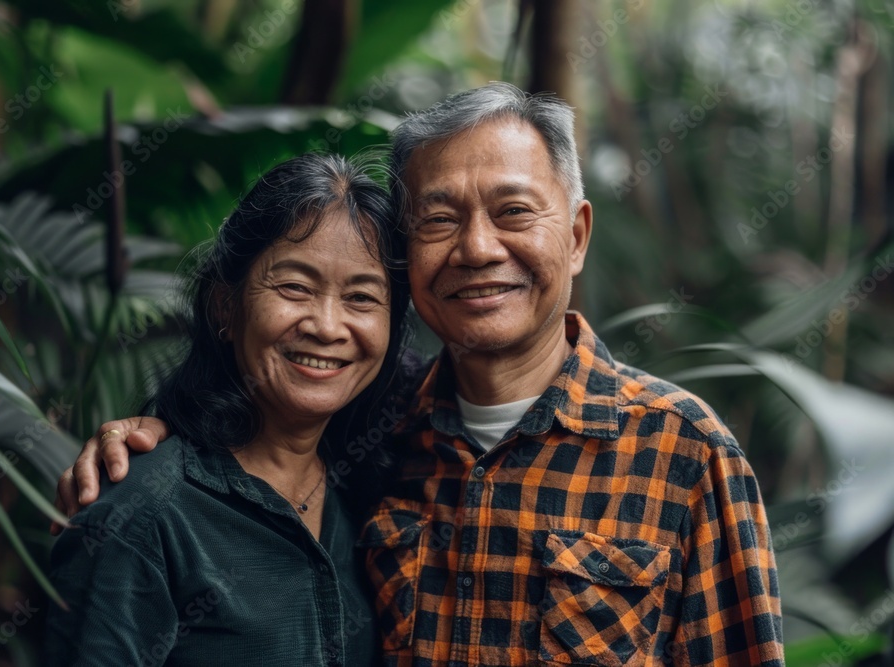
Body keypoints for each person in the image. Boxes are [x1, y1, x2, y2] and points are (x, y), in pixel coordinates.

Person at [58, 84, 785, 666]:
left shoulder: (685, 455)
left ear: (577, 235)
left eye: (512, 211)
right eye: (439, 219)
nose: (476, 247)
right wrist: (154, 433)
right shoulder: (377, 441)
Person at [45, 152, 411, 666]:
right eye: (294, 287)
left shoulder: (374, 483)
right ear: (225, 306)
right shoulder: (141, 518)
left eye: (362, 298)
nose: (328, 326)